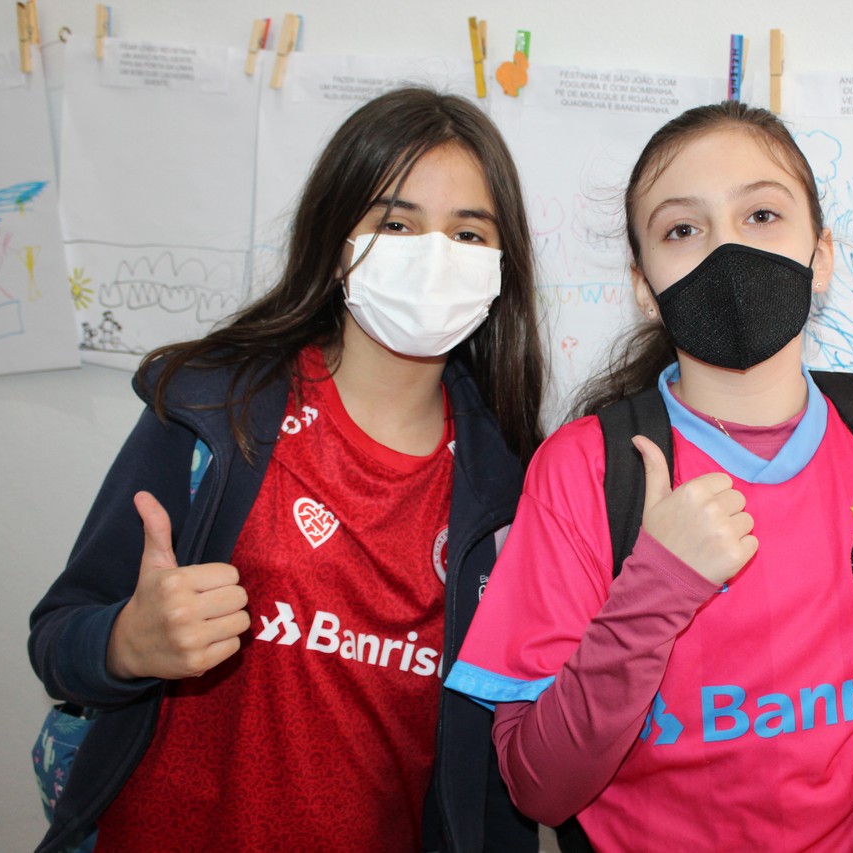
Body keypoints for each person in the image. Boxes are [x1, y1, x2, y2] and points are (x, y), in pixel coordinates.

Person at [442, 101, 853, 852]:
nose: (727, 251)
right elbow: (538, 786)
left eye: (762, 215)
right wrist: (656, 587)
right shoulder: (586, 470)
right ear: (645, 287)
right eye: (683, 229)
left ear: (821, 256)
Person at [28, 87, 543, 853]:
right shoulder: (212, 409)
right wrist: (124, 644)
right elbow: (57, 636)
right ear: (336, 242)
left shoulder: (515, 491)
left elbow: (493, 767)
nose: (434, 256)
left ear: (501, 267)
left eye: (468, 233)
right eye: (396, 224)